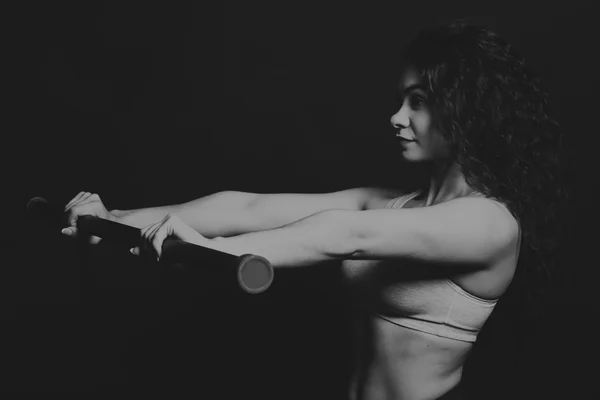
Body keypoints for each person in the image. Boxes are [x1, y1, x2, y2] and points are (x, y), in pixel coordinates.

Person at [62, 20, 567, 400]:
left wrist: (210, 249)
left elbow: (344, 235)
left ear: (465, 107)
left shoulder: (490, 223)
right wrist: (117, 219)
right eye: (400, 99)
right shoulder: (389, 204)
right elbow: (247, 206)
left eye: (419, 101)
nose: (396, 117)